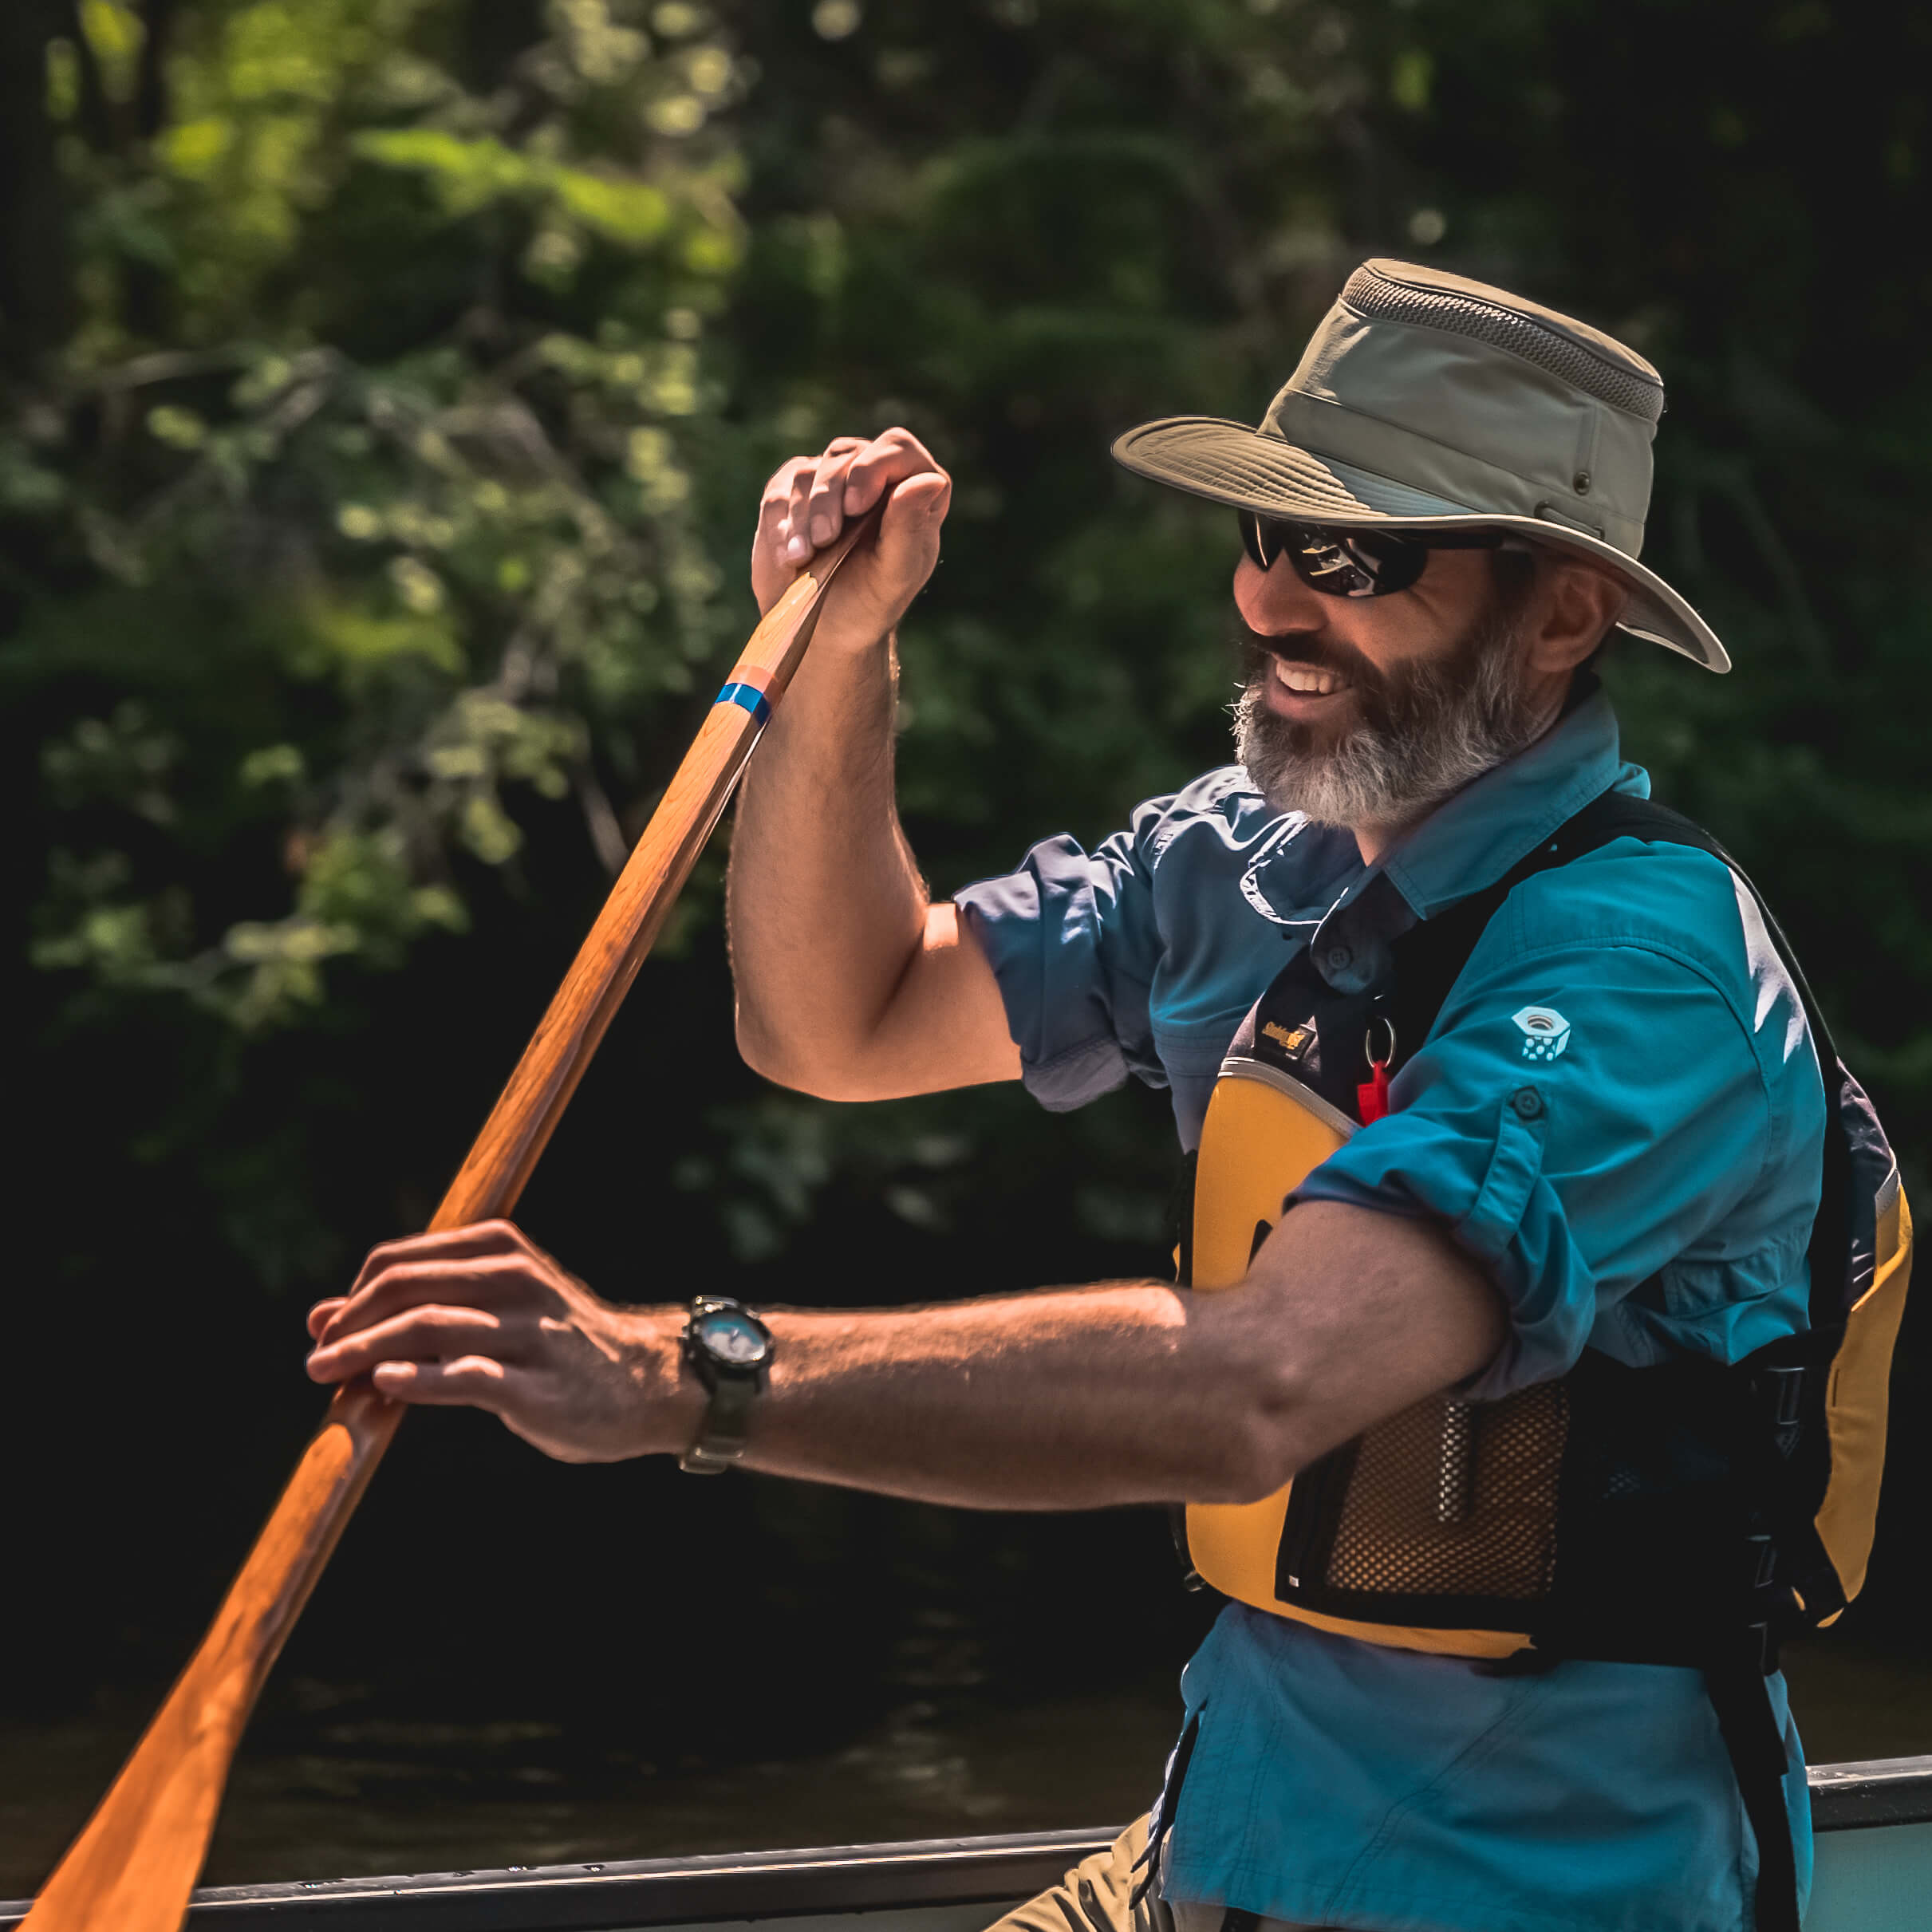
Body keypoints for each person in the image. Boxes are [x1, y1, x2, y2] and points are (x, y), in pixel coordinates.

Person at [306, 261, 1834, 1932]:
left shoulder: (1634, 972)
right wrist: (839, 654)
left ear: (1557, 615)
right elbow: (842, 1015)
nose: (1267, 603)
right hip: (1219, 1848)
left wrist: (684, 1376)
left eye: (1350, 555)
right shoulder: (1243, 861)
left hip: (1523, 1895)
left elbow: (1258, 1387)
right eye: (1262, 536)